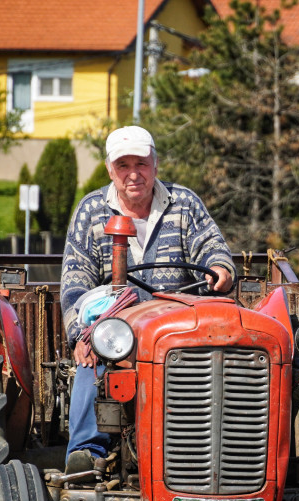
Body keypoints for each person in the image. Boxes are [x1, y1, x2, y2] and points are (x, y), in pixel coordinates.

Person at [60, 125, 235, 473]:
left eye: (140, 163)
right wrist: (82, 332)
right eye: (123, 165)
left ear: (155, 164)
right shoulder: (92, 210)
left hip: (179, 326)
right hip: (118, 328)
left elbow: (211, 245)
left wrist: (219, 268)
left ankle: (220, 448)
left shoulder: (183, 203)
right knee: (92, 355)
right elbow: (75, 280)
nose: (133, 174)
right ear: (111, 170)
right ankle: (87, 451)